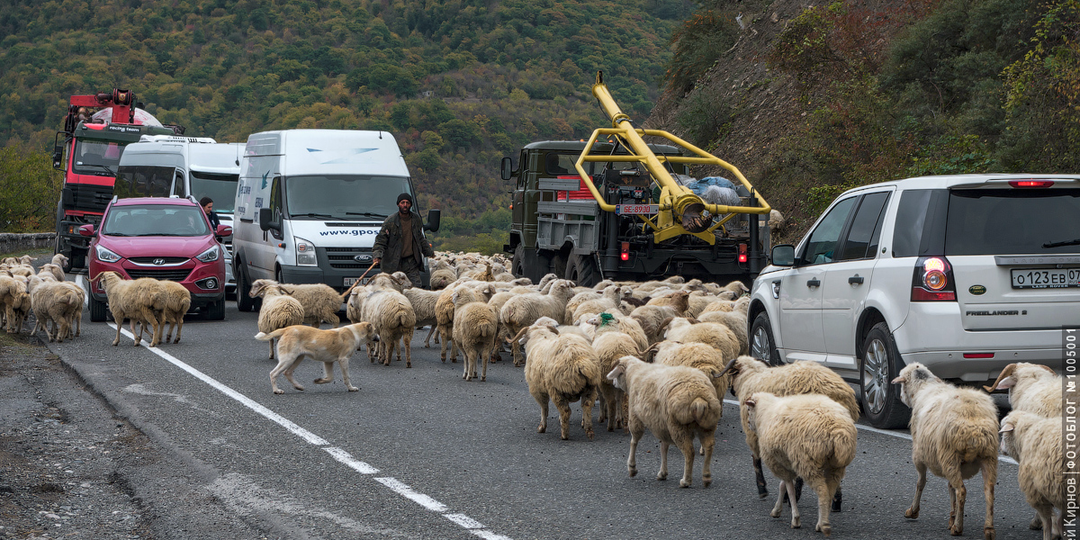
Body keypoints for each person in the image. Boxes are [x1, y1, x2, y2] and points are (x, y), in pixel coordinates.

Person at [372, 193, 435, 288]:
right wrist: (377, 255)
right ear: (398, 204)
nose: (405, 205)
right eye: (402, 202)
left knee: (415, 288)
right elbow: (381, 240)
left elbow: (420, 238)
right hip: (393, 262)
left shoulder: (416, 219)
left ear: (410, 205)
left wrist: (429, 253)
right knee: (391, 288)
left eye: (407, 203)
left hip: (411, 262)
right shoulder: (390, 221)